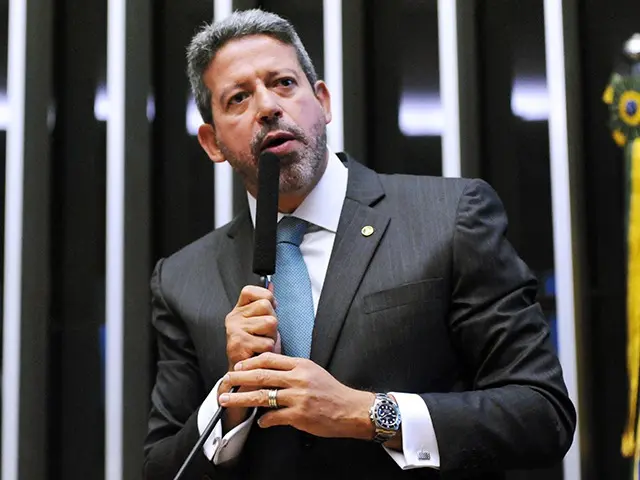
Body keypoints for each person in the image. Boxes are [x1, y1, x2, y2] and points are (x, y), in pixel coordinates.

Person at [143, 8, 576, 480]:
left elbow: (542, 413)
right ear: (211, 142)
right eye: (239, 98)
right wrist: (230, 401)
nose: (267, 107)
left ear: (323, 101)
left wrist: (368, 414)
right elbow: (162, 468)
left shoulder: (450, 218)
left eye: (284, 83)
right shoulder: (183, 279)